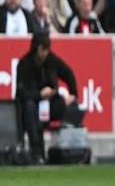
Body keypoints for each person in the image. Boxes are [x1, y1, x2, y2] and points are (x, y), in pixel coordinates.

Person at [16, 32, 79, 163]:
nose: (45, 53)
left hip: (50, 103)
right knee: (30, 109)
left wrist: (73, 93)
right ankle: (36, 151)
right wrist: (39, 94)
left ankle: (67, 152)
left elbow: (68, 73)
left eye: (47, 49)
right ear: (36, 48)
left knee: (64, 104)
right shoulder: (24, 64)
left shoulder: (51, 60)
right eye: (42, 49)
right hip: (32, 104)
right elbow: (22, 92)